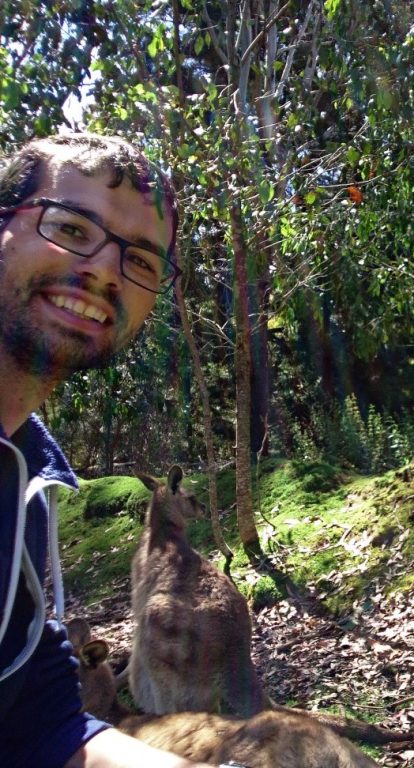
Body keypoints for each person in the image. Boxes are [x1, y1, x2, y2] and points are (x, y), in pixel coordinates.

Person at [0, 133, 226, 767]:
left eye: (142, 261)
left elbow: (40, 723)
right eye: (71, 228)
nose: (102, 269)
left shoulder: (30, 486)